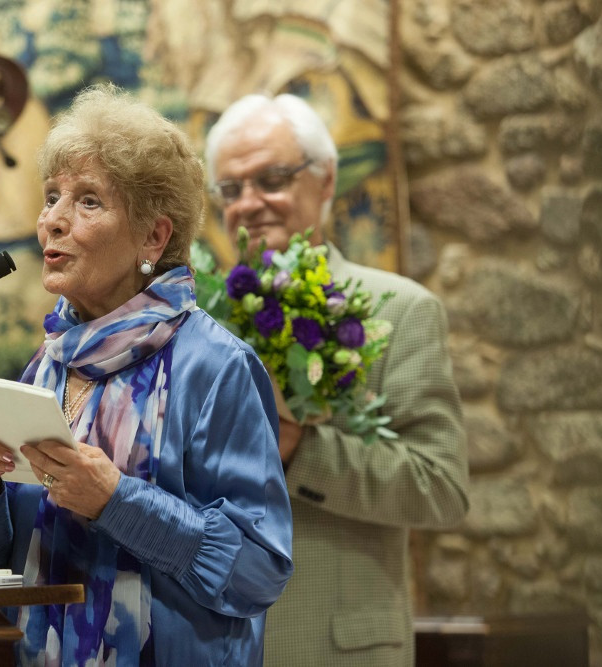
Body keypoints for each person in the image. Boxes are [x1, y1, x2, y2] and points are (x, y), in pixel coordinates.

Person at [0, 84, 294, 666]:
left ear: (154, 237)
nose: (52, 221)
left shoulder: (214, 367)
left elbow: (257, 571)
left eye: (87, 202)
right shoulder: (48, 364)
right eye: (52, 195)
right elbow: (3, 571)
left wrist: (116, 501)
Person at [204, 92, 471, 666]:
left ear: (325, 182)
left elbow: (442, 490)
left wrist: (302, 450)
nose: (249, 203)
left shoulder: (399, 310)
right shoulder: (201, 324)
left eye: (271, 178)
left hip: (336, 647)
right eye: (231, 188)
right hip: (211, 645)